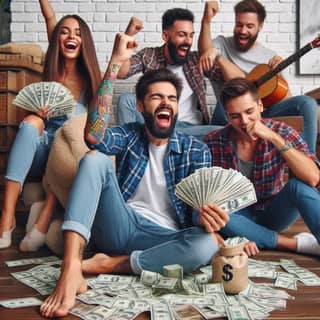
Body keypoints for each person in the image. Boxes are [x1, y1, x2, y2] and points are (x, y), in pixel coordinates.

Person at [39, 32, 230, 318]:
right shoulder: (129, 135)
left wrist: (205, 218)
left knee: (210, 242)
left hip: (164, 237)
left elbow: (193, 215)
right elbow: (93, 136)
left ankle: (110, 264)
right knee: (94, 159)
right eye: (157, 97)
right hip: (121, 224)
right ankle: (70, 267)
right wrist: (114, 65)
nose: (166, 103)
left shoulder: (196, 151)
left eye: (172, 99)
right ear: (140, 106)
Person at [0, 0, 101, 250]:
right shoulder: (53, 70)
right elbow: (50, 18)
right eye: (65, 32)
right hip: (42, 151)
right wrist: (38, 113)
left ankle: (45, 217)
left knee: (73, 139)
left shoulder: (92, 81)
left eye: (77, 33)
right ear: (57, 39)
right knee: (31, 122)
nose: (70, 36)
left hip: (68, 152)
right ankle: (7, 216)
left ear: (84, 42)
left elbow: (94, 131)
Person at [205, 77, 320, 257]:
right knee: (212, 207)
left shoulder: (281, 132)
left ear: (260, 106)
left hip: (273, 212)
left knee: (299, 187)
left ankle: (257, 236)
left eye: (249, 111)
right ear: (227, 116)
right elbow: (204, 199)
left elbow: (313, 178)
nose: (244, 121)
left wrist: (274, 138)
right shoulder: (214, 141)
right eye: (235, 116)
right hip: (236, 217)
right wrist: (233, 234)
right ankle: (295, 244)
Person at [199, 0, 318, 154]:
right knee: (236, 90)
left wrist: (278, 78)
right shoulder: (221, 44)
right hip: (228, 114)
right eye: (239, 25)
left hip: (259, 113)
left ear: (260, 27)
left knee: (307, 102)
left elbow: (287, 101)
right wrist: (206, 20)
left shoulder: (269, 57)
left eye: (249, 26)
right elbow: (205, 54)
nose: (243, 30)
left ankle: (309, 159)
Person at [116, 7, 244, 141]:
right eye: (182, 35)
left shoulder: (196, 59)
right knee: (126, 100)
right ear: (165, 36)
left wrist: (217, 55)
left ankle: (160, 141)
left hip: (190, 130)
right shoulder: (149, 55)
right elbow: (119, 72)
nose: (188, 41)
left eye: (191, 35)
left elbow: (241, 82)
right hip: (156, 125)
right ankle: (130, 150)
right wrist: (128, 35)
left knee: (223, 131)